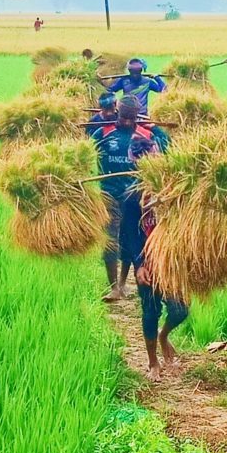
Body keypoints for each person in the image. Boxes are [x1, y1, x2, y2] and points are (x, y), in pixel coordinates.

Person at [90, 95, 160, 302]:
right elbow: (83, 154)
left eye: (132, 118)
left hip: (135, 199)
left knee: (129, 240)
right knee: (110, 240)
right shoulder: (103, 133)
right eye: (124, 117)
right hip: (109, 194)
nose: (128, 122)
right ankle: (114, 287)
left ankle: (123, 283)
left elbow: (163, 157)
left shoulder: (146, 134)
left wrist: (156, 129)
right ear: (117, 113)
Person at [121, 188, 190, 382]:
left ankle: (163, 335)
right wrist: (139, 264)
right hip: (147, 265)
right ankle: (153, 362)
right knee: (150, 312)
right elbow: (131, 235)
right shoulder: (132, 197)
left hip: (172, 263)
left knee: (181, 309)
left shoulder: (174, 190)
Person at [102, 58, 167, 117]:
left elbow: (163, 90)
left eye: (137, 72)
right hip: (126, 114)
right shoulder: (124, 81)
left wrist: (157, 78)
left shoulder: (148, 82)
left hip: (142, 114)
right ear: (129, 71)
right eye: (133, 72)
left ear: (141, 71)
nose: (135, 75)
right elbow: (110, 90)